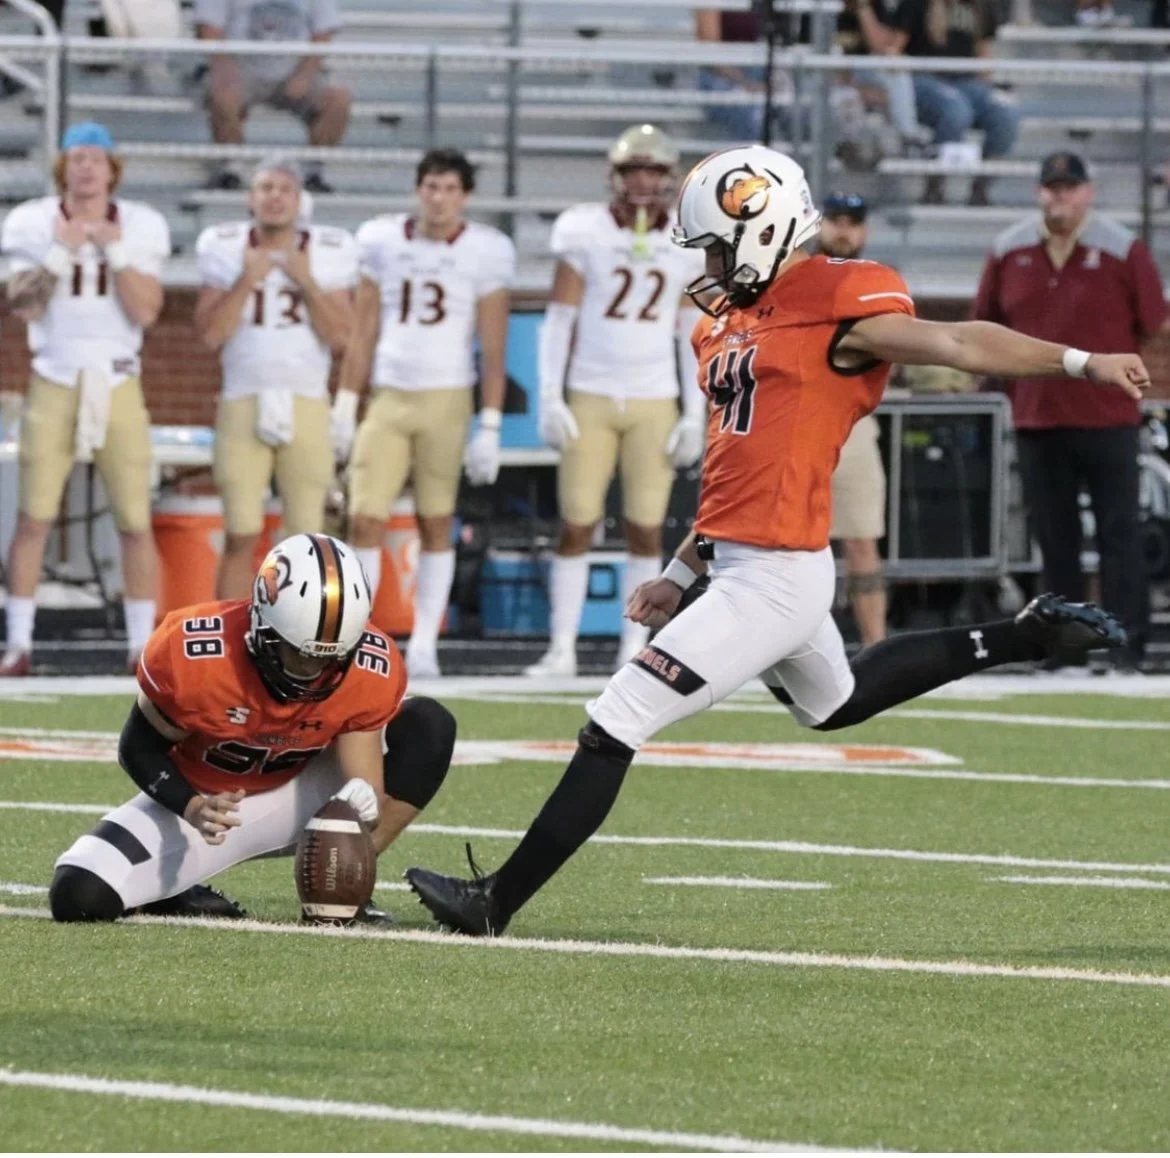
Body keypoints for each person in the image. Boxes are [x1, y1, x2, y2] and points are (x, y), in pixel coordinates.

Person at [404, 144, 1141, 937]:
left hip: (777, 578)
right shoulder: (723, 327)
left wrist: (1082, 361)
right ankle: (1021, 635)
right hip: (751, 564)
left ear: (763, 226)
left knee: (617, 715)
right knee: (837, 701)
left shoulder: (840, 294)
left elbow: (960, 343)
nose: (713, 263)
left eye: (721, 244)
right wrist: (682, 573)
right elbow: (734, 472)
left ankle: (496, 903)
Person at [48, 532, 456, 923]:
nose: (314, 674)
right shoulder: (195, 654)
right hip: (209, 807)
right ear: (261, 627)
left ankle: (348, 890)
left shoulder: (368, 666)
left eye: (329, 660)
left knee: (427, 725)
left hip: (303, 788)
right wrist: (192, 806)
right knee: (79, 894)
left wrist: (360, 805)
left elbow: (365, 786)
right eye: (299, 657)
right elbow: (137, 748)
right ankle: (172, 892)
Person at [972, 151, 1166, 671]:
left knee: (1119, 534)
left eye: (1069, 187)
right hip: (1038, 415)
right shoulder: (1011, 249)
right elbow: (984, 326)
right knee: (1053, 539)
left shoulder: (1122, 248)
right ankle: (1058, 646)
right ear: (1040, 191)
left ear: (1088, 192)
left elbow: (1154, 323)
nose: (1060, 196)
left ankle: (1126, 646)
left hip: (1108, 415)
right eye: (1052, 187)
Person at [525, 125, 705, 678]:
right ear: (617, 176)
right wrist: (551, 395)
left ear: (669, 177)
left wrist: (695, 412)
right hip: (592, 392)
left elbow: (690, 328)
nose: (644, 182)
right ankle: (563, 647)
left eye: (653, 171)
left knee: (646, 527)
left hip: (654, 396)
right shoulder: (585, 229)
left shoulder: (685, 238)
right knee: (577, 523)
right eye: (635, 171)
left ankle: (634, 647)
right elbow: (559, 321)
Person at [332, 148, 515, 680]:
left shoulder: (484, 250)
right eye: (431, 187)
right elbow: (362, 332)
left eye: (450, 189)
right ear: (418, 190)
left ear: (466, 196)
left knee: (436, 521)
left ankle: (426, 644)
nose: (439, 199)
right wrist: (345, 405)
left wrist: (492, 421)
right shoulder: (384, 241)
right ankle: (355, 641)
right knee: (364, 516)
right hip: (390, 395)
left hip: (448, 398)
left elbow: (493, 345)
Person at [0, 122, 169, 677]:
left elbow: (147, 312)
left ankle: (141, 647)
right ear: (62, 167)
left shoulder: (140, 226)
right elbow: (21, 306)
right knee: (33, 519)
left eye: (96, 158)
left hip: (119, 377)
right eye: (76, 158)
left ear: (112, 168)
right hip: (54, 375)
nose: (86, 168)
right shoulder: (31, 221)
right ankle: (19, 643)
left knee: (134, 520)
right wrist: (59, 252)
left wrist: (114, 255)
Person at [195, 156, 357, 600]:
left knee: (305, 539)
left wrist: (306, 281)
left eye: (284, 189)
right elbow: (210, 334)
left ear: (301, 200)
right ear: (251, 198)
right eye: (265, 188)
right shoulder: (225, 246)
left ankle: (294, 640)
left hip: (306, 398)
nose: (274, 198)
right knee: (240, 531)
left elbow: (343, 336)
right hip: (242, 398)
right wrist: (248, 279)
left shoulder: (327, 250)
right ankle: (230, 636)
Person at [818, 192, 888, 644]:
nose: (843, 231)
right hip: (797, 420)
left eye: (852, 222)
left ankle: (876, 650)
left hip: (853, 422)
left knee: (862, 542)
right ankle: (792, 651)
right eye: (835, 220)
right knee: (792, 547)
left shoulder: (877, 284)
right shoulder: (797, 277)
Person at [194, 0, 351, 193]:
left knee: (338, 99)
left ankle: (312, 172)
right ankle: (232, 170)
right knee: (221, 92)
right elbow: (209, 29)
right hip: (241, 67)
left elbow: (324, 31)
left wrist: (306, 73)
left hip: (296, 67)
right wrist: (224, 69)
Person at [893, 0, 1019, 205]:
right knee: (956, 110)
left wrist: (991, 88)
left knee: (1005, 112)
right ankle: (935, 183)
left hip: (968, 81)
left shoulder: (980, 5)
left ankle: (981, 187)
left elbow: (982, 53)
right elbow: (895, 48)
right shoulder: (916, 3)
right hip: (924, 77)